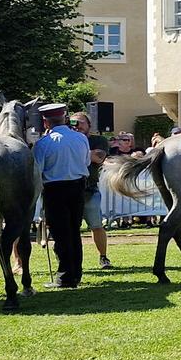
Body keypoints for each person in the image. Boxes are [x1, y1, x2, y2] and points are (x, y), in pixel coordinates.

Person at [33, 103, 91, 288]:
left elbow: (38, 170)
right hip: (78, 186)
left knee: (60, 233)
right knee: (74, 231)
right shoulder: (81, 138)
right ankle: (76, 273)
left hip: (55, 189)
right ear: (64, 117)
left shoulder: (44, 143)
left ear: (45, 121)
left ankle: (65, 276)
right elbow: (87, 161)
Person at [70, 113, 112, 270]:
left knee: (96, 225)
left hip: (89, 189)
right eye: (74, 123)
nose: (77, 126)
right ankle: (71, 261)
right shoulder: (68, 139)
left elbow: (98, 157)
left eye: (81, 123)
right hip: (69, 190)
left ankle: (103, 257)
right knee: (70, 228)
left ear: (89, 125)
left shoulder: (98, 140)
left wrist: (69, 151)